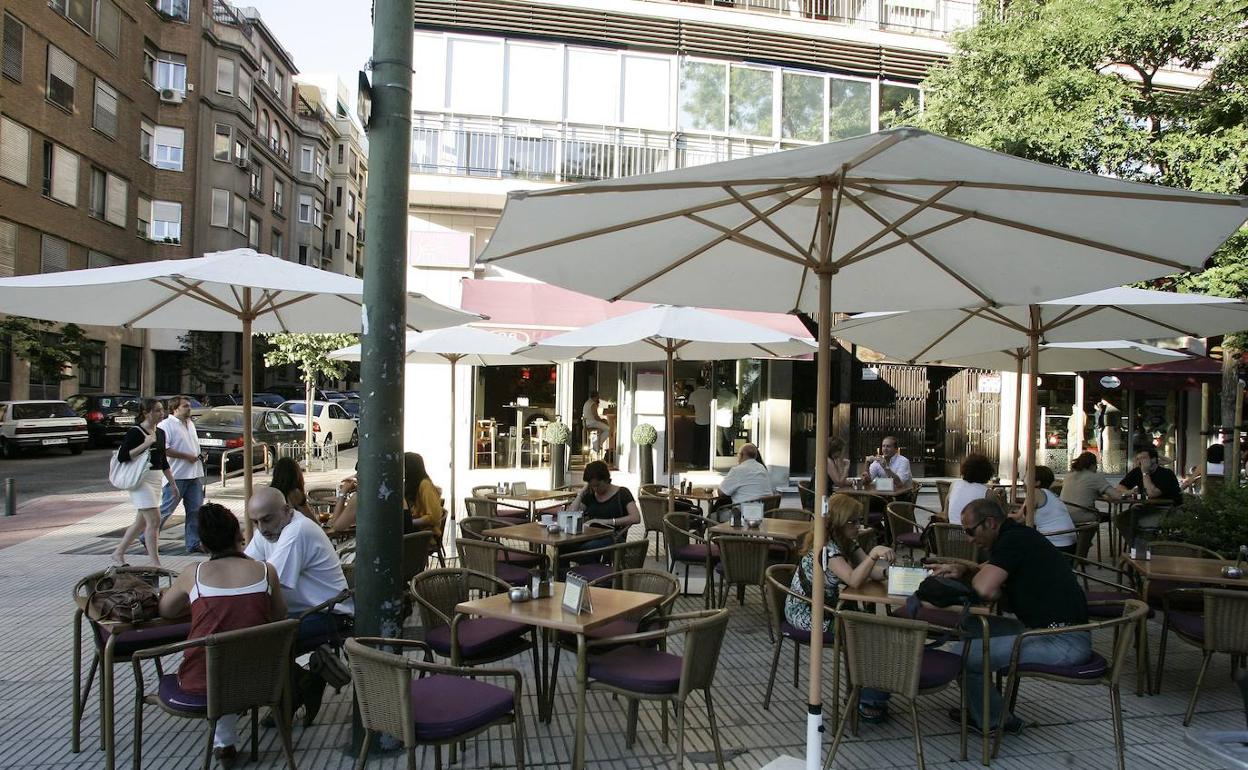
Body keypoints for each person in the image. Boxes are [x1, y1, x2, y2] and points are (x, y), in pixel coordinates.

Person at [931, 497, 1090, 735]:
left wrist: (973, 577)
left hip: (1062, 639)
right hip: (1043, 630)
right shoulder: (1016, 536)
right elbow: (989, 572)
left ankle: (995, 720)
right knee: (970, 626)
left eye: (970, 531)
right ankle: (984, 707)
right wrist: (966, 569)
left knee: (962, 655)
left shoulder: (1013, 541)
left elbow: (985, 589)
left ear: (990, 523)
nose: (969, 539)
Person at [158, 503, 285, 768]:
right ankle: (224, 740)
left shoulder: (193, 574)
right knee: (234, 654)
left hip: (201, 683)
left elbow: (166, 610)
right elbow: (279, 616)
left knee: (213, 663)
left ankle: (224, 741)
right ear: (240, 535)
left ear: (204, 546)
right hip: (260, 679)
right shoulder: (266, 571)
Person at [244, 487, 353, 725]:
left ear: (286, 510)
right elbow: (245, 568)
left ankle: (297, 688)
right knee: (250, 639)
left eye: (266, 519)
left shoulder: (297, 531)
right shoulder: (272, 530)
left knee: (256, 641)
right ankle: (301, 685)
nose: (261, 528)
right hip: (304, 613)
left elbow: (267, 584)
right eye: (255, 522)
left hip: (330, 615)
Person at [785, 494, 895, 723]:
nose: (859, 526)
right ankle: (864, 697)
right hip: (807, 612)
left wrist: (891, 574)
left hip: (828, 607)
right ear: (838, 523)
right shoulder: (827, 549)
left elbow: (870, 571)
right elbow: (854, 579)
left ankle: (867, 693)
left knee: (874, 630)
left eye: (859, 520)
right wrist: (874, 554)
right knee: (866, 633)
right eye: (853, 521)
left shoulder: (847, 542)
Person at [111, 399, 180, 567]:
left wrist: (172, 483)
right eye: (157, 410)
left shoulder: (161, 432)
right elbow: (123, 456)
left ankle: (118, 553)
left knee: (141, 522)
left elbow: (163, 460)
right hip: (140, 479)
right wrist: (146, 444)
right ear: (147, 412)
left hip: (156, 478)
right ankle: (155, 563)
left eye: (162, 410)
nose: (161, 413)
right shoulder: (135, 432)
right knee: (154, 520)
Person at [158, 395, 207, 553]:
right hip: (177, 475)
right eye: (185, 406)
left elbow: (192, 445)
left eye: (189, 406)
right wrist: (187, 457)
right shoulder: (166, 425)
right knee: (166, 509)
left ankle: (193, 543)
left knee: (195, 510)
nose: (189, 408)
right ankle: (147, 535)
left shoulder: (190, 423)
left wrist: (199, 455)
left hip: (193, 474)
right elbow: (164, 449)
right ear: (175, 408)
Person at [564, 460, 641, 557]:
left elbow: (636, 518)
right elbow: (571, 514)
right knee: (564, 547)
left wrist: (606, 522)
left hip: (613, 536)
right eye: (592, 486)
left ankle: (589, 571)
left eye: (598, 485)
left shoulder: (622, 493)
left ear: (606, 479)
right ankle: (566, 572)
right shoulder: (590, 495)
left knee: (588, 549)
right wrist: (581, 494)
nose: (595, 489)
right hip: (590, 535)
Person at [1114, 446, 1182, 543]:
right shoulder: (1137, 471)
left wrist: (1145, 473)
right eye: (1138, 459)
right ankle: (1136, 547)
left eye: (1143, 458)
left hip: (1168, 510)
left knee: (1139, 521)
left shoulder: (1166, 474)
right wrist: (1129, 491)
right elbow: (1119, 487)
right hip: (1147, 507)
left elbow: (1151, 493)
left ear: (1154, 459)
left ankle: (1145, 548)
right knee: (1120, 519)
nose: (1140, 461)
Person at [1025, 466, 1076, 553]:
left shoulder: (1035, 493)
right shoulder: (1047, 493)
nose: (1024, 478)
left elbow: (1020, 518)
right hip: (1069, 544)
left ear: (1037, 482)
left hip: (1055, 545)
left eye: (1027, 476)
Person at [1060, 451, 1120, 524]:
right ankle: (1086, 535)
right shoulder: (1095, 477)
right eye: (1096, 465)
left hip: (1063, 515)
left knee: (1092, 513)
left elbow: (1084, 491)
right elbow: (1117, 496)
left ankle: (1080, 534)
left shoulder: (1068, 476)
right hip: (1082, 515)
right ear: (1092, 465)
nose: (1097, 468)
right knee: (1103, 516)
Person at [714, 443, 774, 515]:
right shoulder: (762, 469)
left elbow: (721, 492)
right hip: (764, 513)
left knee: (714, 514)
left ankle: (706, 524)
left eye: (738, 454)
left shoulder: (738, 470)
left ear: (741, 455)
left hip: (743, 515)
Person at [945, 453, 994, 525]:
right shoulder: (987, 493)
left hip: (953, 534)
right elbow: (1001, 517)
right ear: (987, 473)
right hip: (976, 535)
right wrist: (1003, 498)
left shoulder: (954, 485)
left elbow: (945, 514)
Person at [404, 452, 444, 536]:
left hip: (424, 536)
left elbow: (434, 517)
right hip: (417, 531)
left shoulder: (425, 485)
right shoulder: (412, 484)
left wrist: (412, 522)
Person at [688, 377, 713, 466]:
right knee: (706, 444)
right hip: (708, 421)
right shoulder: (710, 393)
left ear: (697, 384)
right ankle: (706, 463)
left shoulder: (693, 394)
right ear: (705, 383)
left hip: (698, 421)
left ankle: (694, 462)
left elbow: (690, 408)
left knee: (697, 444)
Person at [581, 390, 610, 457]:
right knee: (607, 429)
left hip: (586, 423)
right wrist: (602, 420)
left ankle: (596, 442)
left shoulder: (587, 402)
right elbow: (596, 417)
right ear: (596, 396)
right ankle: (596, 444)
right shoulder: (593, 404)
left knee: (602, 428)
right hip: (592, 423)